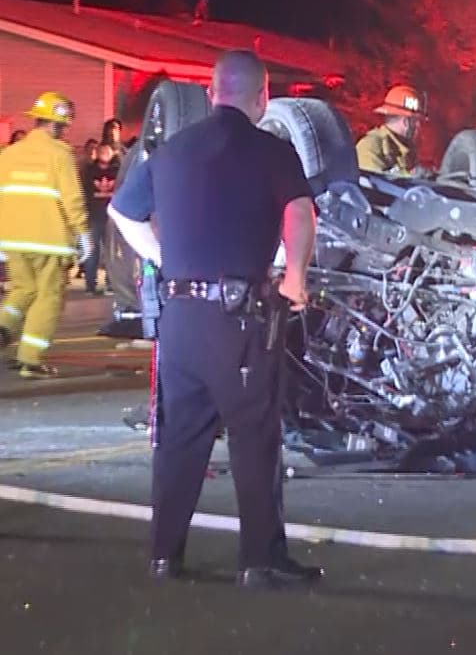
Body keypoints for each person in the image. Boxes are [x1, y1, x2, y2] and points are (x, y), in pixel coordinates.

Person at [109, 49, 323, 589]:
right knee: (254, 435)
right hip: (240, 322)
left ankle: (165, 555)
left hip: (180, 321)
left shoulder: (169, 149)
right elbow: (300, 210)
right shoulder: (272, 151)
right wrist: (294, 274)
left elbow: (120, 212)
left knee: (180, 437)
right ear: (263, 96)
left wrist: (163, 256)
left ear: (211, 94)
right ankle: (260, 560)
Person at [0, 92, 91, 379]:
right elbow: (72, 199)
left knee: (22, 291)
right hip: (48, 240)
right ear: (56, 124)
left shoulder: (9, 153)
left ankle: (4, 329)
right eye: (64, 126)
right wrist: (84, 233)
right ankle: (31, 359)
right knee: (48, 297)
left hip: (13, 239)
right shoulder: (60, 155)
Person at [355, 83, 426, 175]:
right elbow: (376, 184)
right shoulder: (370, 146)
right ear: (406, 122)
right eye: (416, 121)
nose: (419, 126)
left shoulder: (406, 148)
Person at [81, 141, 120, 295]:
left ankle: (110, 283)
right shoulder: (89, 171)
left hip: (111, 216)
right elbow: (84, 192)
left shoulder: (117, 171)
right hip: (93, 215)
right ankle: (90, 285)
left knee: (111, 252)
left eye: (107, 151)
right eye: (101, 151)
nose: (104, 154)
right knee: (92, 251)